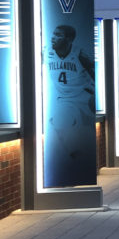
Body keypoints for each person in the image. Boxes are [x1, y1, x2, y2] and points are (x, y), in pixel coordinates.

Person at [44, 24, 94, 185]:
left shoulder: (79, 54)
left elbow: (95, 74)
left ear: (69, 39)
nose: (53, 37)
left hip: (83, 96)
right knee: (59, 123)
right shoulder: (46, 51)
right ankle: (77, 161)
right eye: (53, 33)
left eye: (58, 34)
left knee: (80, 132)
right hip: (64, 99)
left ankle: (80, 161)